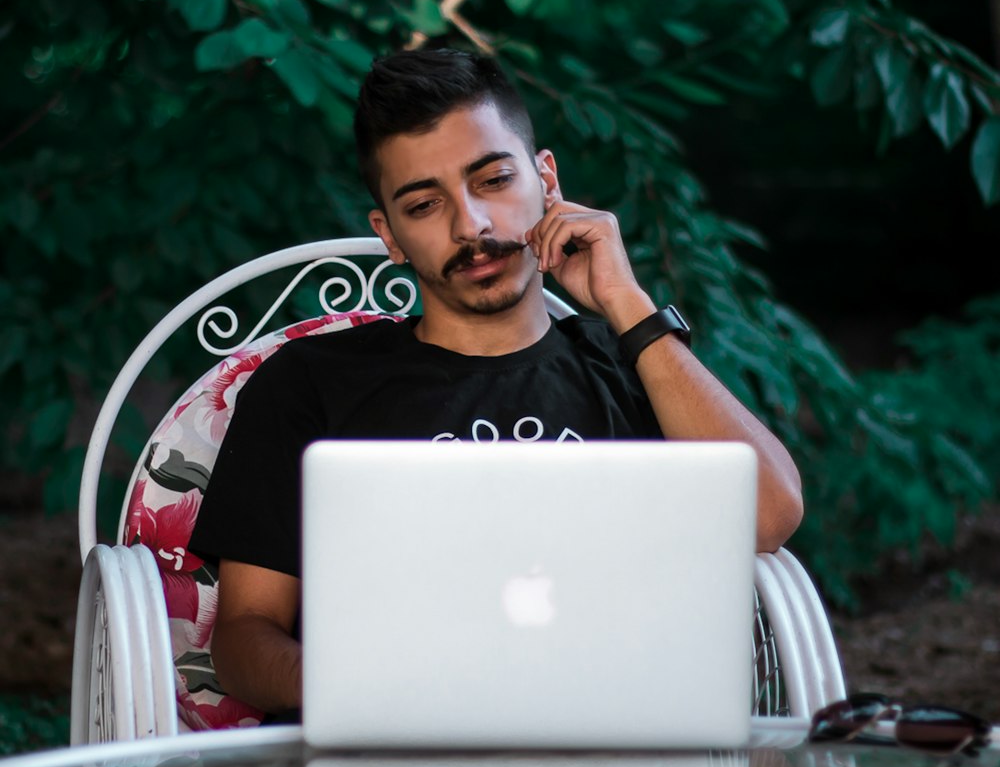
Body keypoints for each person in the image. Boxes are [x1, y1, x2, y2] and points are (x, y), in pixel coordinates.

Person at [189, 47, 803, 716]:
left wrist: (627, 302)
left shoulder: (636, 373)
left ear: (547, 180)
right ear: (389, 234)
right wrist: (371, 692)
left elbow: (770, 514)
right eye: (423, 205)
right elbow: (244, 637)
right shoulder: (311, 383)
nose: (471, 225)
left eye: (493, 180)